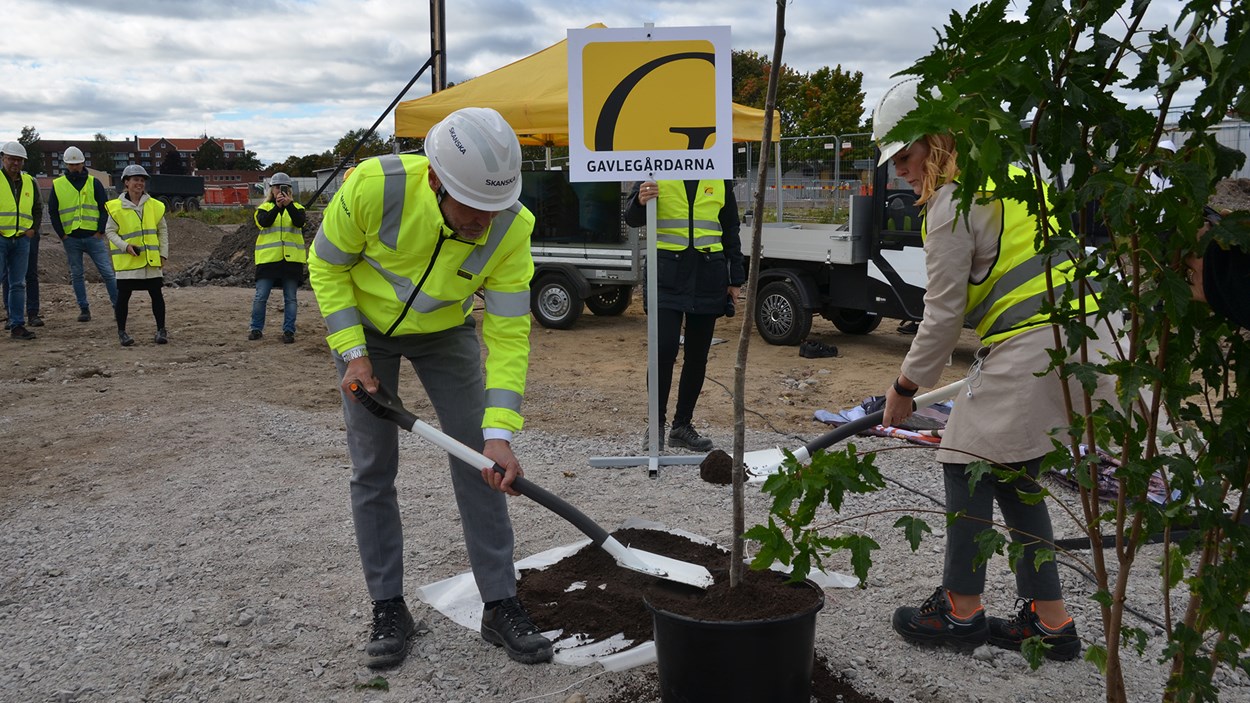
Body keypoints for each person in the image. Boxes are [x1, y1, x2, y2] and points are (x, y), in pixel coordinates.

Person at [872, 78, 1116, 662]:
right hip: (1088, 337)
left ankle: (960, 612)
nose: (899, 171)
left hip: (1034, 344)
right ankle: (1049, 622)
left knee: (967, 462)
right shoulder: (1012, 176)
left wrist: (906, 388)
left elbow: (943, 315)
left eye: (904, 157)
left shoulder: (951, 202)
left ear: (934, 142)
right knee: (1012, 473)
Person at [308, 107, 552, 669]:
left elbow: (511, 335)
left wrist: (499, 433)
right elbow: (326, 266)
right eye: (474, 205)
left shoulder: (512, 227)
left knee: (481, 465)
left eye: (496, 206)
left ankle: (500, 603)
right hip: (367, 333)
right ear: (437, 180)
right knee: (372, 468)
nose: (485, 221)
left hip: (446, 335)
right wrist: (353, 355)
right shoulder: (375, 186)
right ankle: (389, 605)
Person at [623, 178, 745, 451]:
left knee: (697, 354)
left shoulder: (719, 175)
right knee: (663, 349)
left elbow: (730, 227)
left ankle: (682, 427)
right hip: (667, 274)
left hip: (708, 275)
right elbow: (631, 218)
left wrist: (735, 277)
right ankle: (655, 426)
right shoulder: (657, 169)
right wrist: (641, 200)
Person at [49, 146, 119, 322]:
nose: (75, 167)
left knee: (108, 273)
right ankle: (84, 309)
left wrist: (100, 231)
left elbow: (105, 208)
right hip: (71, 238)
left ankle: (118, 307)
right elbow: (53, 212)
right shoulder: (58, 185)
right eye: (72, 164)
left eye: (77, 164)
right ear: (66, 164)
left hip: (92, 237)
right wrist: (62, 235)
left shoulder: (93, 182)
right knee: (77, 275)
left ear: (83, 163)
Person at [105, 165, 170, 347]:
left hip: (150, 261)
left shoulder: (155, 206)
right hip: (128, 263)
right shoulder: (115, 207)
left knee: (156, 294)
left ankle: (161, 330)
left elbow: (162, 231)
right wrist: (125, 246)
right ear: (126, 182)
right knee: (123, 297)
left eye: (142, 180)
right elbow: (110, 231)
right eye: (135, 180)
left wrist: (163, 253)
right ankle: (122, 332)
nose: (139, 183)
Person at [249, 172, 306, 343]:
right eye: (276, 187)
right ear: (271, 190)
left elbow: (300, 222)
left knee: (291, 298)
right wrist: (278, 207)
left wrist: (289, 206)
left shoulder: (298, 209)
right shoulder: (263, 209)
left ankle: (289, 331)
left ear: (289, 189)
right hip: (268, 260)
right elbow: (264, 222)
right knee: (261, 297)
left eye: (283, 188)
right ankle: (256, 328)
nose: (279, 191)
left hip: (291, 261)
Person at [1, 140, 41, 340]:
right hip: (1, 239)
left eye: (19, 160)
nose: (15, 163)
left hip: (22, 239)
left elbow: (37, 208)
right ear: (3, 158)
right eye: (11, 159)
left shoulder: (29, 182)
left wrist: (33, 229)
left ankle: (17, 325)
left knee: (18, 284)